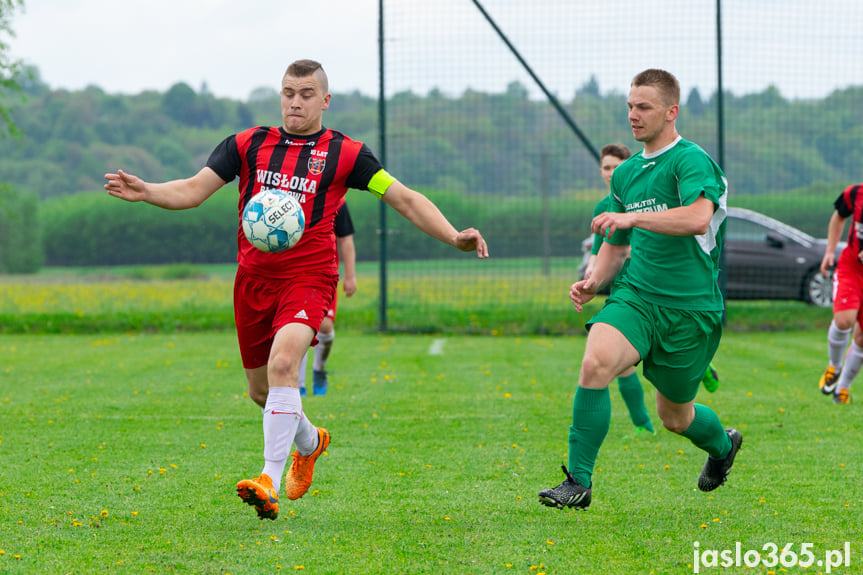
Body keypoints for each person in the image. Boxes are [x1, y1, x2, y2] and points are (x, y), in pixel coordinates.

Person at [104, 59, 488, 521]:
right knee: (262, 393)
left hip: (309, 278)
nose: (295, 101)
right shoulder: (248, 145)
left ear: (325, 101)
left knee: (285, 362)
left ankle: (266, 477)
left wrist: (453, 236)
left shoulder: (348, 155)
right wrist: (147, 191)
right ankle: (310, 441)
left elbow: (402, 197)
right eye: (289, 92)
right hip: (253, 281)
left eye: (306, 94)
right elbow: (192, 189)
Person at [538, 69, 741, 511]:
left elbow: (696, 219)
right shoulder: (626, 174)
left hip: (691, 310)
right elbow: (615, 241)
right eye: (630, 105)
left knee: (675, 417)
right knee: (595, 363)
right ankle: (578, 482)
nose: (633, 114)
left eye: (644, 107)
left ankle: (723, 447)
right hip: (638, 297)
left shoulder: (691, 161)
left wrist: (632, 218)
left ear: (671, 112)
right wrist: (594, 281)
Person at [585, 143, 655, 435]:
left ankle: (701, 369)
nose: (611, 173)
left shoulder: (648, 199)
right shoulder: (604, 207)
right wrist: (591, 274)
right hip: (624, 290)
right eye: (606, 167)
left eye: (616, 167)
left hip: (653, 284)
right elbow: (600, 249)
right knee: (618, 363)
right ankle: (643, 425)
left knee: (669, 351)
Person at [298, 201, 356, 396]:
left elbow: (346, 240)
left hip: (323, 274)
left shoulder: (336, 199)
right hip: (294, 274)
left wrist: (350, 275)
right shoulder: (288, 197)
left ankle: (319, 369)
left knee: (325, 326)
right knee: (297, 325)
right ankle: (298, 385)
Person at [817, 183, 863, 405]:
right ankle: (834, 366)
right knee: (844, 320)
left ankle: (842, 389)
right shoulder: (855, 193)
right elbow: (838, 217)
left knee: (862, 338)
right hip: (851, 269)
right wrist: (829, 252)